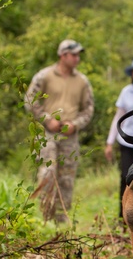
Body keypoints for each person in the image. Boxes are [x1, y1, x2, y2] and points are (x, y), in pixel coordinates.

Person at [24, 39, 95, 223]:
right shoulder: (44, 76)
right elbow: (30, 100)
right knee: (48, 172)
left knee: (67, 177)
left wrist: (76, 124)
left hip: (70, 135)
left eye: (78, 55)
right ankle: (45, 217)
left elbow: (88, 109)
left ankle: (61, 220)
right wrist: (46, 119)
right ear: (63, 55)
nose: (77, 59)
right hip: (47, 133)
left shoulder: (82, 81)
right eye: (74, 55)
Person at [104, 56, 133, 219]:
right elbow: (118, 118)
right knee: (126, 175)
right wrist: (109, 142)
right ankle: (123, 215)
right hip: (127, 141)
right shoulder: (126, 92)